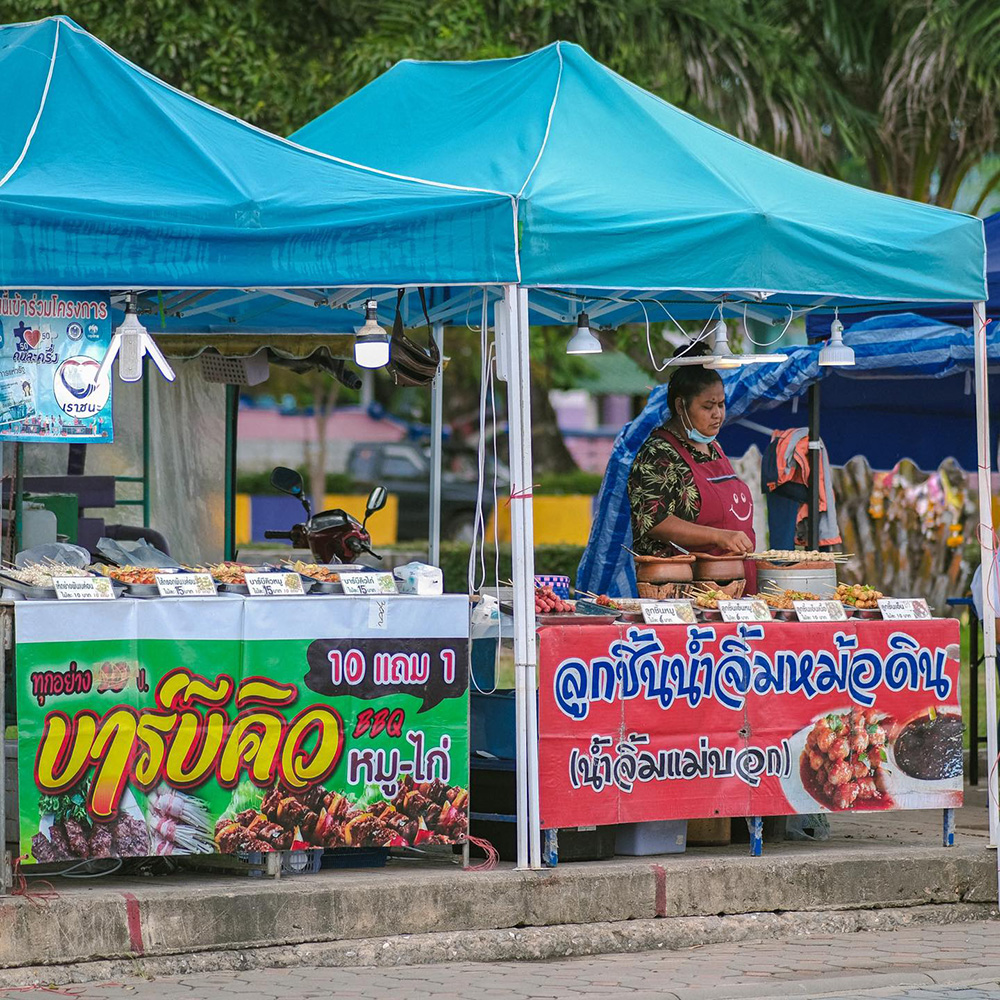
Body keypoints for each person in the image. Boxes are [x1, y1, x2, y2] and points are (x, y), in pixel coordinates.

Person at [627, 350, 757, 590]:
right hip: (682, 587)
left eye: (721, 404)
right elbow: (655, 522)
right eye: (708, 406)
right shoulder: (658, 453)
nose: (717, 414)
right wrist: (720, 536)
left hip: (734, 579)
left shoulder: (713, 446)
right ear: (680, 405)